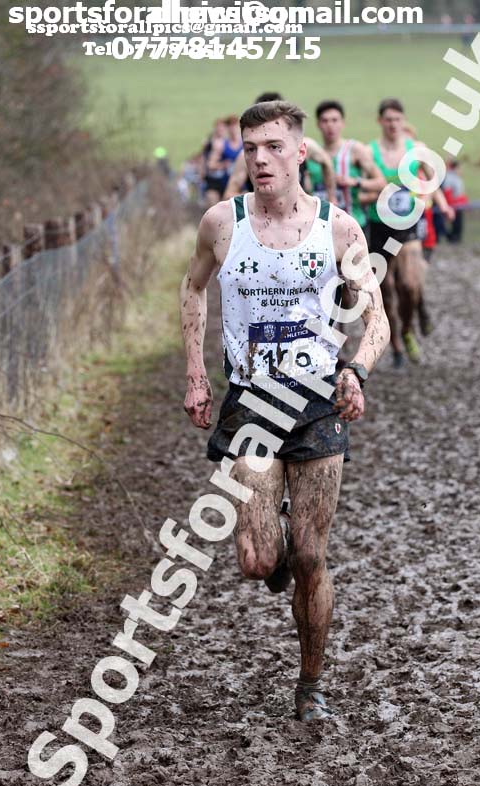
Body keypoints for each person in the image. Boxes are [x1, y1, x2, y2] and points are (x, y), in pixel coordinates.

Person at [180, 100, 390, 721]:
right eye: (250, 149)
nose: (260, 159)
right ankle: (274, 544)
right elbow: (192, 288)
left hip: (317, 403)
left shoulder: (340, 229)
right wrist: (196, 374)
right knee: (258, 560)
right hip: (249, 404)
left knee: (311, 556)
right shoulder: (222, 223)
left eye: (273, 147)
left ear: (301, 152)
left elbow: (373, 316)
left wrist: (357, 369)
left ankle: (310, 686)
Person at [367, 98, 453, 367]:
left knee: (410, 285)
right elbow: (362, 186)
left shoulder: (416, 149)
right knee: (387, 291)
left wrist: (443, 204)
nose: (393, 124)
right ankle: (396, 347)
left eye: (397, 119)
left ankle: (407, 329)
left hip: (409, 225)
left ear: (403, 122)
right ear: (380, 121)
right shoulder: (369, 152)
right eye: (388, 119)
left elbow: (432, 181)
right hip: (379, 226)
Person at [224, 93, 338, 203]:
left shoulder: (305, 145)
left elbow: (326, 163)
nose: (260, 158)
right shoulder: (244, 156)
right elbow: (230, 193)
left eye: (274, 147)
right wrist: (250, 201)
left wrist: (331, 196)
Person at [312, 100, 385, 236]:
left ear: (342, 123)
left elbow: (381, 182)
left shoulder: (355, 149)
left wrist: (355, 182)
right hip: (320, 228)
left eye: (334, 120)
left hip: (353, 225)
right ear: (318, 124)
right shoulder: (312, 153)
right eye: (325, 121)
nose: (330, 126)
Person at [203, 118, 230, 206]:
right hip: (212, 178)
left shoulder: (227, 143)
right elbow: (207, 161)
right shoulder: (209, 142)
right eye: (218, 128)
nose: (220, 130)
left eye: (222, 128)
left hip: (224, 178)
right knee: (213, 203)